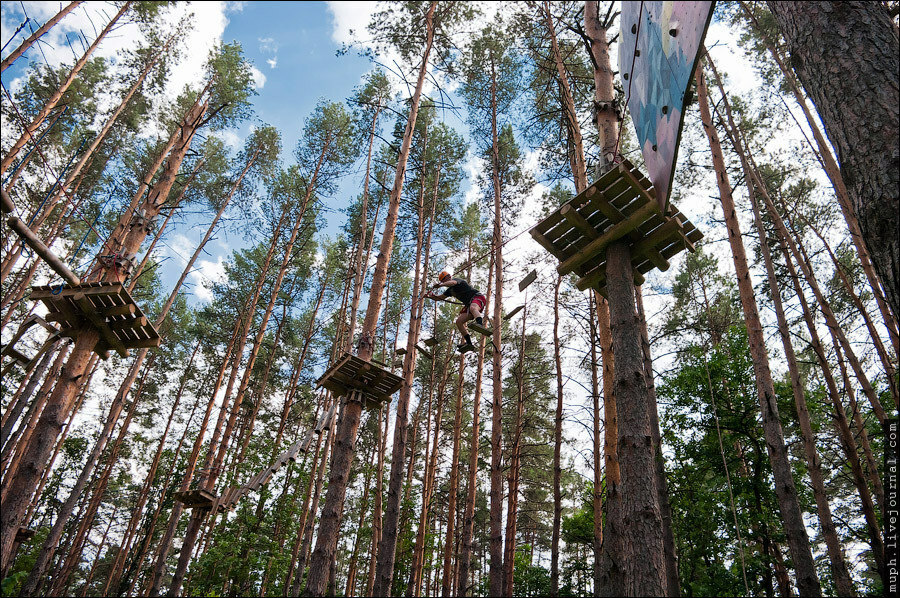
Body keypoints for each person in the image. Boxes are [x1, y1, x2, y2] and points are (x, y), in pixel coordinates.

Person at [425, 270, 487, 353]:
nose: (448, 278)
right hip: (469, 305)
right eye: (445, 278)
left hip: (477, 297)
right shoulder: (450, 291)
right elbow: (439, 298)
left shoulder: (457, 280)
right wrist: (430, 296)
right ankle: (469, 343)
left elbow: (453, 283)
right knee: (459, 322)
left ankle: (480, 325)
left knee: (473, 308)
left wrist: (440, 285)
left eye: (448, 277)